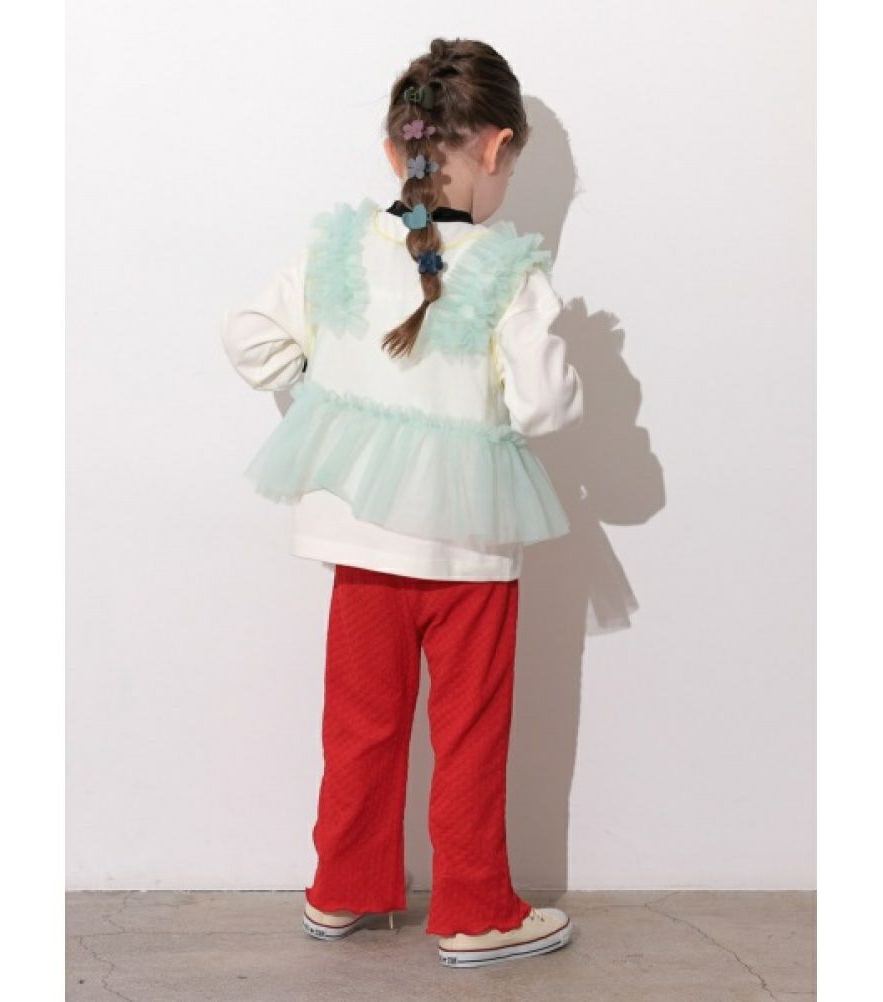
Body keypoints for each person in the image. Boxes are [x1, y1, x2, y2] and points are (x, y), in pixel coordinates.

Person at [220, 37, 582, 969]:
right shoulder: (509, 270)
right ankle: (474, 912)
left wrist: (326, 389)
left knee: (361, 725)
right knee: (469, 733)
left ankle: (340, 889)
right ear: (496, 149)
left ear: (397, 150)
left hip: (360, 537)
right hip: (469, 549)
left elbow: (251, 336)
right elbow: (544, 407)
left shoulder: (339, 246)